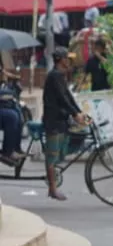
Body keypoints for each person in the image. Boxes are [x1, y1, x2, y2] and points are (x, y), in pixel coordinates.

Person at [42, 47, 85, 202]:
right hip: (53, 121)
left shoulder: (60, 76)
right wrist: (75, 113)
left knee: (59, 153)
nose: (70, 62)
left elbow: (68, 97)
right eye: (67, 58)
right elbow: (62, 98)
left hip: (61, 121)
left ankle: (53, 184)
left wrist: (80, 113)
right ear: (61, 60)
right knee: (52, 157)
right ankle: (52, 189)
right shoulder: (54, 76)